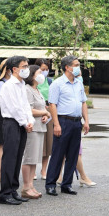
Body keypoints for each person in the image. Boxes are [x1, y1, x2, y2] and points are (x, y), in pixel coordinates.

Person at [45, 56, 90, 196]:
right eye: (76, 65)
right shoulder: (57, 84)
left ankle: (67, 184)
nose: (78, 67)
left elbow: (83, 103)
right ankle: (51, 184)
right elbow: (52, 104)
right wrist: (56, 124)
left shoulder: (79, 83)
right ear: (67, 67)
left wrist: (86, 121)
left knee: (73, 154)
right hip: (63, 121)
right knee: (58, 153)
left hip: (76, 122)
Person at [0, 56, 34, 205]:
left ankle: (13, 190)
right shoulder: (9, 85)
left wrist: (30, 121)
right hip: (12, 123)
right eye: (23, 66)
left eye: (27, 66)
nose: (26, 69)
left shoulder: (21, 84)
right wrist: (25, 123)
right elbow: (14, 108)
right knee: (10, 158)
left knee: (18, 157)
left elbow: (25, 106)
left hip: (22, 123)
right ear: (14, 69)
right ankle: (5, 193)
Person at [22, 65, 51, 199]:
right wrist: (44, 112)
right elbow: (29, 110)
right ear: (32, 75)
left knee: (35, 158)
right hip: (32, 127)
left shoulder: (37, 90)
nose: (42, 74)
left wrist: (45, 115)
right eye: (39, 72)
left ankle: (31, 186)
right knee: (29, 158)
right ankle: (26, 186)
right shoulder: (27, 90)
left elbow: (42, 108)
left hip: (41, 127)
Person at [35, 58, 53, 180]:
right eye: (42, 70)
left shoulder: (50, 81)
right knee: (36, 142)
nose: (45, 72)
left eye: (47, 69)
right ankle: (33, 170)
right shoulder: (33, 82)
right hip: (36, 111)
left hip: (49, 110)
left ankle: (44, 170)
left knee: (48, 142)